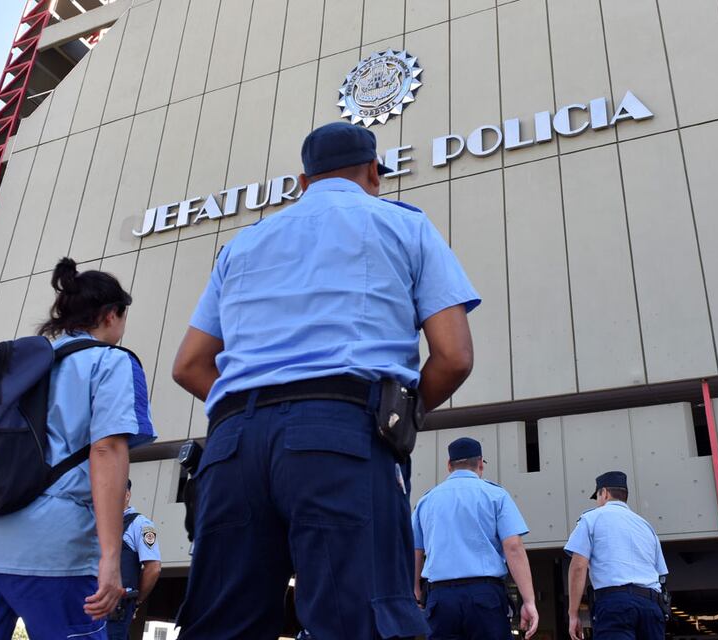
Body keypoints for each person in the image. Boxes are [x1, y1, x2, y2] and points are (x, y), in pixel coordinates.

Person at [171, 121, 481, 639]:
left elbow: (188, 365)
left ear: (301, 181)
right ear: (375, 173)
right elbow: (454, 356)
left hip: (231, 448)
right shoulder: (404, 226)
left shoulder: (244, 244)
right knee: (357, 619)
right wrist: (393, 418)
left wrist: (255, 414)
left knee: (221, 625)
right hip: (341, 434)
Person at [0, 258, 156, 640]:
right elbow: (107, 450)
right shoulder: (111, 361)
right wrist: (112, 557)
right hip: (50, 547)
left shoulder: (15, 366)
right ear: (111, 314)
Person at [411, 437, 539, 639]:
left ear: (449, 466)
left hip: (440, 597)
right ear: (480, 463)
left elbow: (414, 551)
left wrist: (415, 591)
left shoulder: (426, 501)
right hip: (485, 595)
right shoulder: (496, 495)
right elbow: (513, 547)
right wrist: (528, 601)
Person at [565, 471, 668, 640]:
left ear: (604, 493)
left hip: (615, 604)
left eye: (597, 497)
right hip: (651, 606)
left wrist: (573, 613)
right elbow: (661, 574)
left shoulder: (591, 518)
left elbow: (578, 566)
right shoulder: (646, 526)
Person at [107, 479, 163, 639]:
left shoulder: (141, 525)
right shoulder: (98, 523)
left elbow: (153, 568)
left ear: (127, 495)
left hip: (116, 608)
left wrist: (135, 603)